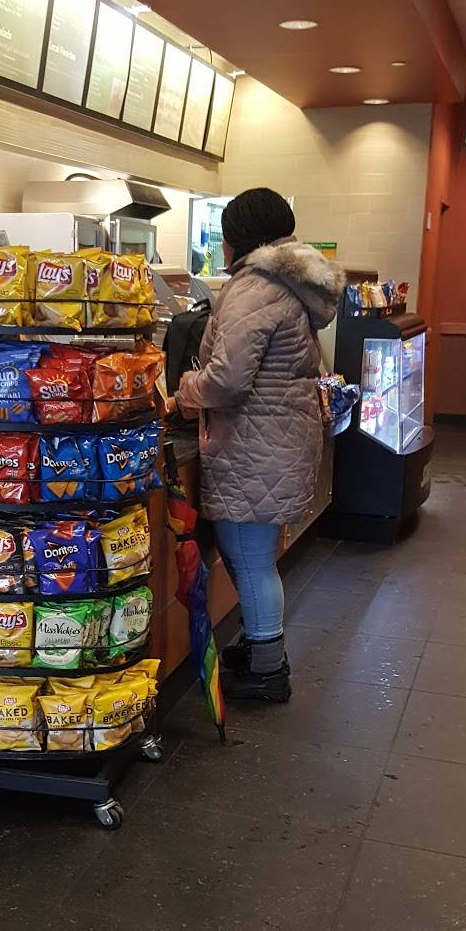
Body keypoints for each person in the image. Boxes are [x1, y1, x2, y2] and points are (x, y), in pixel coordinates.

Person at [168, 187, 345, 702]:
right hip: (275, 438)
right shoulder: (290, 283)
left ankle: (266, 670)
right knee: (254, 557)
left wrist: (184, 392)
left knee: (249, 560)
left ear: (237, 239)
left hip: (254, 444)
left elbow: (226, 380)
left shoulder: (255, 287)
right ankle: (260, 648)